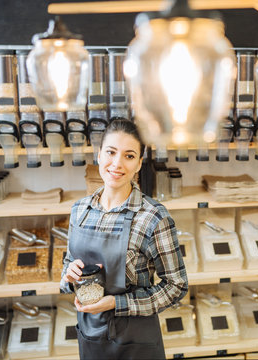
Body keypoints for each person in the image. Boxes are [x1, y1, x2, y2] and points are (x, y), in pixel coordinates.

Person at [60, 119, 188, 360]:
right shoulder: (79, 211)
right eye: (110, 152)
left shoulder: (153, 217)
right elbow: (67, 267)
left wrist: (116, 304)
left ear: (139, 164)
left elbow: (176, 286)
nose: (117, 164)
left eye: (129, 156)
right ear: (99, 155)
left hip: (136, 345)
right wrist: (69, 276)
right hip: (91, 340)